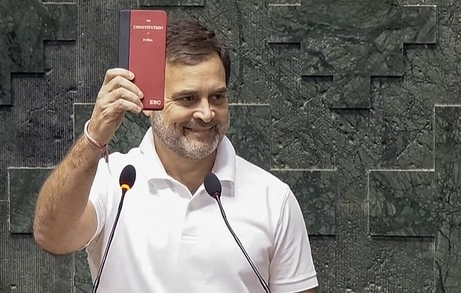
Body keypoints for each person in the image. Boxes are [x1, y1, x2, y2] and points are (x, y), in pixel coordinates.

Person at [33, 18, 319, 293]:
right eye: (188, 98)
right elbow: (52, 236)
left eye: (217, 97)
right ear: (148, 103)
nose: (206, 113)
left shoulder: (273, 198)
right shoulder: (114, 181)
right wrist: (94, 137)